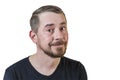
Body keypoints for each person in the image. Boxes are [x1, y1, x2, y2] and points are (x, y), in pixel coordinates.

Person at [3, 5, 87, 80]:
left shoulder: (77, 69)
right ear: (34, 36)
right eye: (49, 30)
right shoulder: (14, 74)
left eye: (62, 28)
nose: (59, 36)